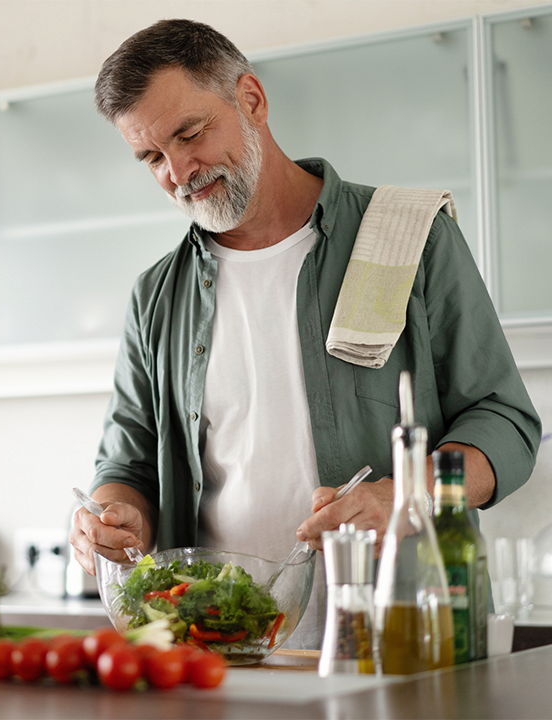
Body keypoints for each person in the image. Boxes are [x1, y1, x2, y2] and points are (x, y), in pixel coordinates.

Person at [69, 18, 541, 649]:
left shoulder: (408, 237)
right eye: (152, 157)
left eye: (190, 133)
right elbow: (127, 462)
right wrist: (114, 514)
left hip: (403, 639)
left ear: (252, 100)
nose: (179, 171)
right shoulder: (156, 295)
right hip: (218, 654)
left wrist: (406, 495)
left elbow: (506, 424)